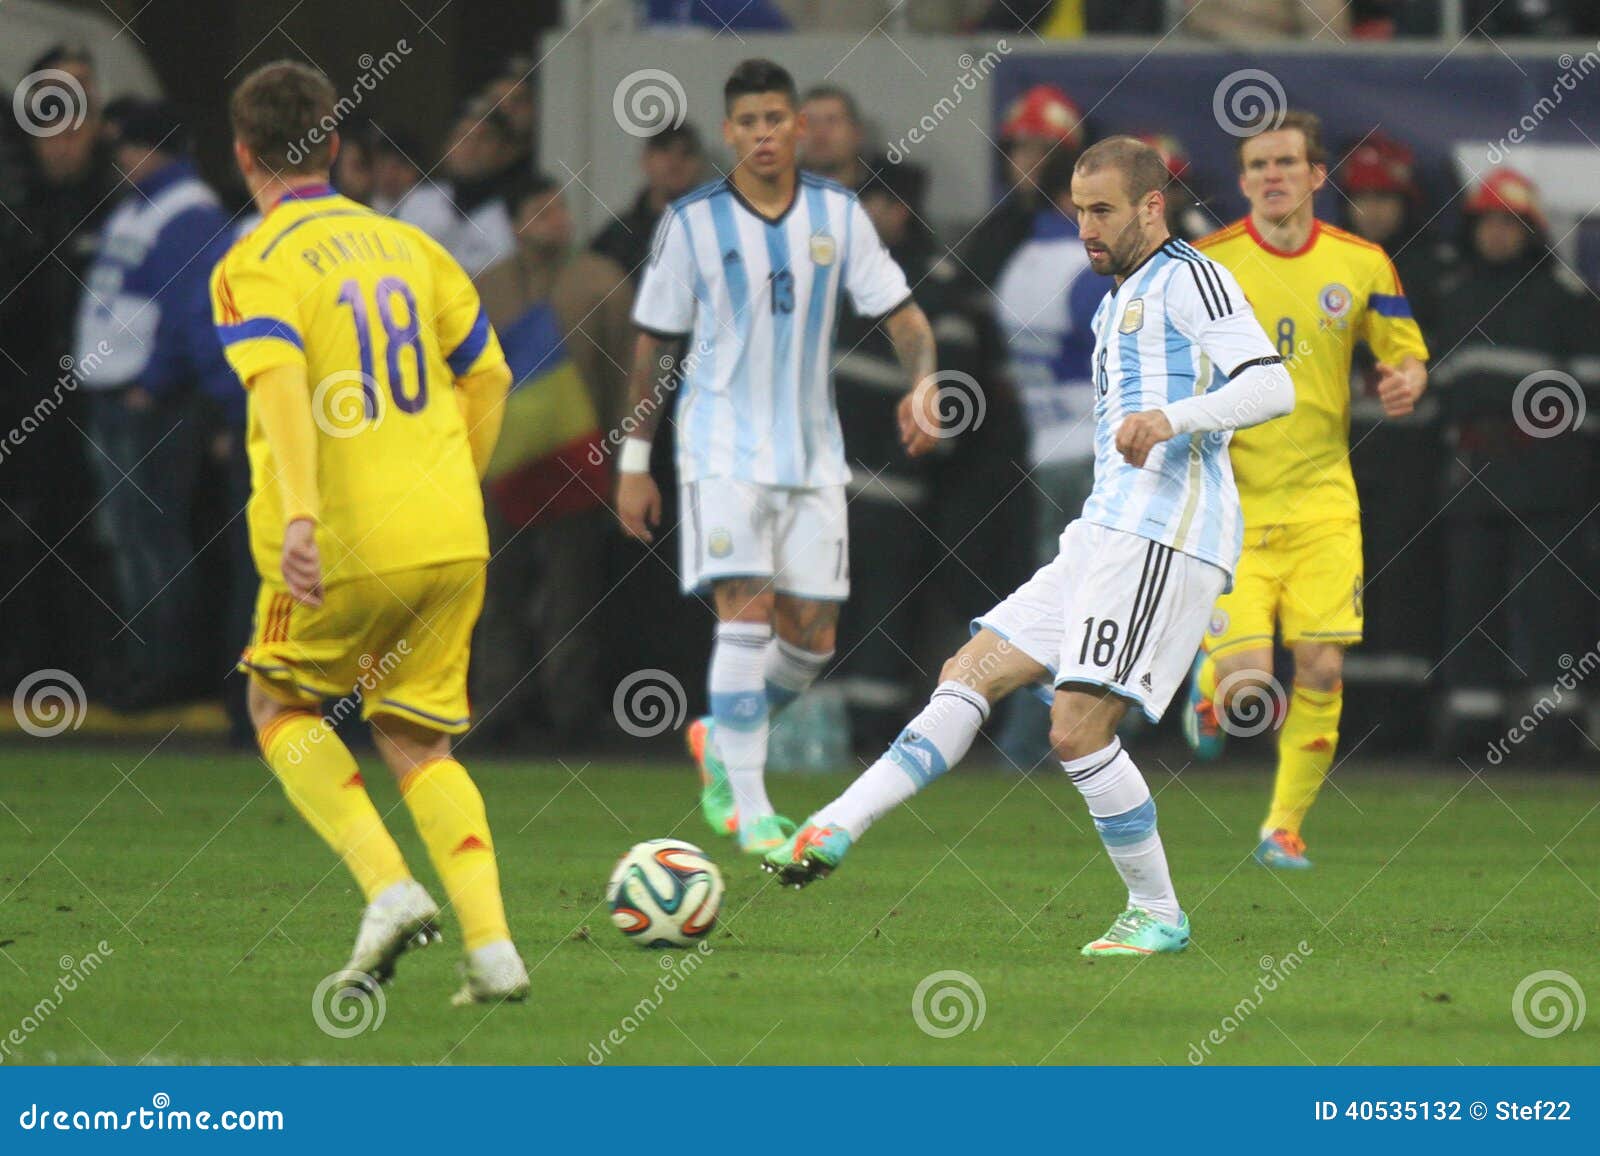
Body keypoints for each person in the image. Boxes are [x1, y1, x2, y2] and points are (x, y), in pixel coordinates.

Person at [764, 137, 1295, 959]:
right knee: (968, 671)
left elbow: (1272, 383)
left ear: (1153, 207)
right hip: (1103, 529)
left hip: (1165, 532)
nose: (1086, 226)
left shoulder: (1191, 277)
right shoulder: (1118, 296)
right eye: (1078, 210)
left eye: (1103, 210)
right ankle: (832, 827)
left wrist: (1172, 419)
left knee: (1077, 732)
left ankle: (1158, 912)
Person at [212, 60, 525, 1005]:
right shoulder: (409, 248)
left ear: (242, 155)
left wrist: (302, 516)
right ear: (335, 147)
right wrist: (451, 480)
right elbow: (493, 376)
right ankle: (494, 949)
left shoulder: (253, 262)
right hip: (450, 534)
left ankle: (388, 889)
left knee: (278, 707)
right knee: (419, 741)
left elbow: (280, 392)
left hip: (341, 541)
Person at [615, 59, 939, 854]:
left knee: (812, 641)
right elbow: (652, 344)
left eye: (776, 120)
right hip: (718, 447)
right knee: (747, 612)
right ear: (730, 132)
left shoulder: (840, 214)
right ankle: (753, 807)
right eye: (748, 122)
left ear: (798, 128)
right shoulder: (691, 222)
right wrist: (632, 459)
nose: (763, 134)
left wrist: (925, 384)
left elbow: (903, 316)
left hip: (812, 453)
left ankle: (720, 734)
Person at [1184, 111, 1428, 869]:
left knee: (1321, 667)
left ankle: (1282, 827)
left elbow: (1405, 352)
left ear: (1318, 176)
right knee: (1248, 686)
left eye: (1287, 163)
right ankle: (1207, 673)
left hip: (1324, 499)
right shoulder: (1209, 263)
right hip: (1232, 502)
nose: (1272, 176)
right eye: (1257, 166)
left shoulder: (1362, 262)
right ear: (1244, 179)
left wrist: (1406, 378)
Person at [1428, 169, 1598, 756]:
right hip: (1475, 476)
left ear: (1530, 231)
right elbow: (1439, 394)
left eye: (1510, 223)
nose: (1497, 235)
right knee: (1470, 601)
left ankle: (1556, 726)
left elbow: (1589, 395)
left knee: (1554, 604)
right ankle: (1472, 722)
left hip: (1551, 477)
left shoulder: (1566, 300)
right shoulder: (1454, 299)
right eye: (1487, 223)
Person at [74, 98, 236, 708]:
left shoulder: (187, 212)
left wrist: (156, 381)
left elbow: (191, 305)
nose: (116, 160)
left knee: (152, 535)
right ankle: (149, 661)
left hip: (151, 402)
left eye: (122, 147)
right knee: (130, 534)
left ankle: (169, 668)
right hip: (122, 393)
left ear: (145, 149)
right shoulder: (142, 208)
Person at [471, 176, 632, 744]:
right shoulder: (483, 289)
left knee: (574, 599)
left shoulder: (603, 282)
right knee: (497, 598)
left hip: (581, 467)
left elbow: (627, 378)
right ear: (515, 223)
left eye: (560, 209)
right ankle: (497, 710)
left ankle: (572, 719)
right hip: (501, 470)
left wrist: (623, 457)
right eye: (539, 210)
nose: (554, 219)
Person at [0, 45, 114, 695]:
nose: (73, 129)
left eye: (85, 107)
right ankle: (22, 664)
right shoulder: (13, 192)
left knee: (95, 535)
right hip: (19, 394)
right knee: (21, 531)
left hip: (96, 401)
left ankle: (87, 670)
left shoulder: (119, 195)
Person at [987, 147, 1107, 768]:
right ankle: (1053, 743)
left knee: (1053, 604)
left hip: (1044, 450)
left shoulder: (1020, 264)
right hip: (1095, 455)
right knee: (1097, 611)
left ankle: (1028, 745)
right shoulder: (1081, 266)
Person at [960, 84, 1084, 291]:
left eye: (1044, 149)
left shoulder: (1087, 225)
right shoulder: (993, 230)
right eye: (1022, 147)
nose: (1031, 160)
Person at [589, 123, 706, 275]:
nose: (675, 163)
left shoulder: (716, 227)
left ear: (699, 165)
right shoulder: (617, 236)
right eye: (664, 151)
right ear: (645, 160)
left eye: (686, 153)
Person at [798, 85, 866, 190]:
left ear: (856, 133)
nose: (819, 133)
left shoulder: (891, 187)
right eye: (810, 122)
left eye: (832, 121)